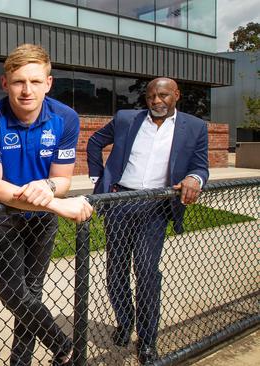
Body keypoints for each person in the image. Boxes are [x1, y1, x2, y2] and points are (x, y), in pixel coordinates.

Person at [0, 43, 93, 366]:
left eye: (36, 82)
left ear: (49, 83)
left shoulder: (65, 119)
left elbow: (62, 180)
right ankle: (65, 346)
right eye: (18, 82)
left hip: (41, 222)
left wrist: (49, 187)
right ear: (5, 83)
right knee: (14, 295)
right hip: (5, 217)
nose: (27, 90)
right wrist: (57, 204)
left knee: (31, 297)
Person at [86, 77, 209, 364]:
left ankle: (147, 339)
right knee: (115, 270)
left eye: (163, 95)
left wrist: (195, 178)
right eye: (151, 96)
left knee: (146, 270)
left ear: (176, 95)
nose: (156, 101)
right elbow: (95, 142)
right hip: (119, 203)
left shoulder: (194, 127)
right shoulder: (127, 119)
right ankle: (124, 321)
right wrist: (98, 180)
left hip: (155, 207)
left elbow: (200, 164)